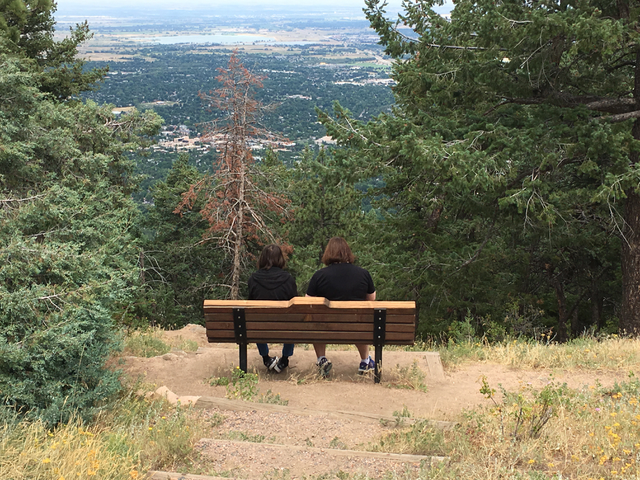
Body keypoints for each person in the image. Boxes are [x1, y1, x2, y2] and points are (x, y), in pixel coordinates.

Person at [306, 237, 376, 376]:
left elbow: (308, 303)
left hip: (327, 328)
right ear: (347, 252)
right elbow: (371, 300)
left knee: (316, 322)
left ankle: (321, 359)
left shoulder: (319, 276)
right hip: (356, 327)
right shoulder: (363, 274)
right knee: (361, 319)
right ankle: (365, 361)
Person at [248, 244, 298, 373]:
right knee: (291, 319)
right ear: (280, 259)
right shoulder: (288, 279)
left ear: (262, 259)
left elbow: (250, 304)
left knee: (256, 318)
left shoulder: (253, 279)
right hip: (285, 327)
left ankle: (266, 358)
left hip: (261, 327)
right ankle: (285, 359)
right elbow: (296, 305)